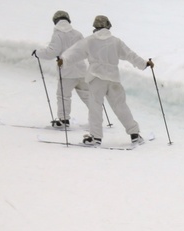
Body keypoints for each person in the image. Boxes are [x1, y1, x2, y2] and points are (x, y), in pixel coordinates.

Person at [58, 14, 152, 147]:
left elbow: (75, 52)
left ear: (95, 27)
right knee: (120, 106)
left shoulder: (89, 41)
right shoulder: (115, 41)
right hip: (113, 78)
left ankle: (96, 137)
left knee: (95, 107)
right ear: (108, 26)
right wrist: (144, 64)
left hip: (96, 78)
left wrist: (64, 60)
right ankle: (135, 134)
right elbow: (130, 54)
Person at [32, 10, 90, 128]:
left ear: (55, 21)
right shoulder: (77, 34)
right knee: (88, 95)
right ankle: (97, 119)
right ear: (68, 20)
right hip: (82, 71)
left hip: (67, 73)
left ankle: (63, 121)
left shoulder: (57, 35)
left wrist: (38, 53)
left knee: (63, 96)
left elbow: (51, 52)